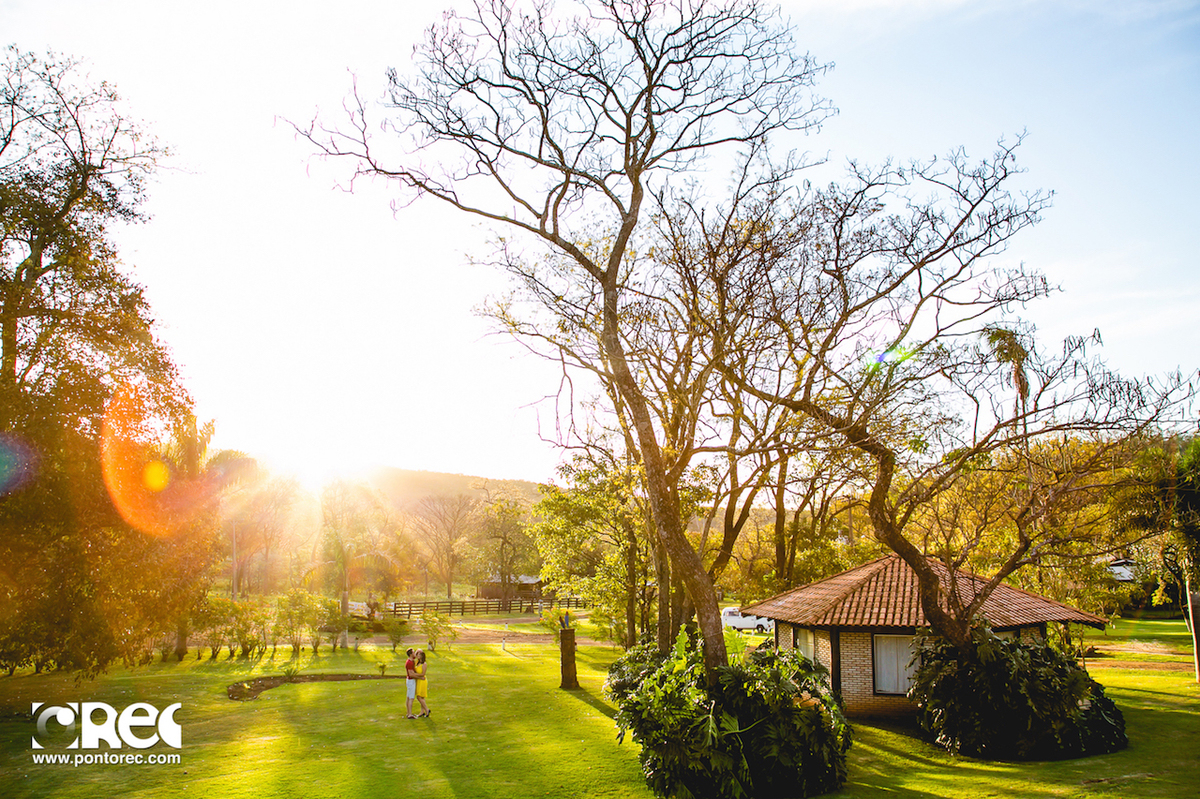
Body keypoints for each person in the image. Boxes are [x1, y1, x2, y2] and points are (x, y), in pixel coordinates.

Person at [414, 649, 431, 718]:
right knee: (421, 697)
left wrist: (415, 675)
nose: (417, 656)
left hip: (422, 681)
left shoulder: (424, 664)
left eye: (418, 655)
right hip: (419, 680)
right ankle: (422, 712)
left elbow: (423, 674)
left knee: (419, 696)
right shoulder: (417, 662)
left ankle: (427, 709)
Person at [404, 647, 419, 719]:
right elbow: (411, 674)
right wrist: (420, 677)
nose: (414, 653)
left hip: (410, 681)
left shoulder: (412, 661)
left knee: (408, 697)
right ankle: (409, 714)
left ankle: (408, 712)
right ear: (410, 654)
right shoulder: (409, 663)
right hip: (411, 681)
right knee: (411, 698)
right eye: (413, 652)